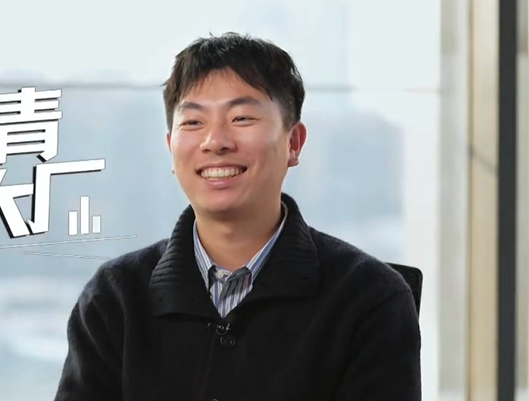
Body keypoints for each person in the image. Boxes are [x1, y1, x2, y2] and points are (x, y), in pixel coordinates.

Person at [53, 32, 421, 401]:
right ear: (171, 149)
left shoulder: (370, 297)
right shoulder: (115, 297)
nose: (215, 141)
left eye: (241, 117)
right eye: (193, 123)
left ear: (293, 143)